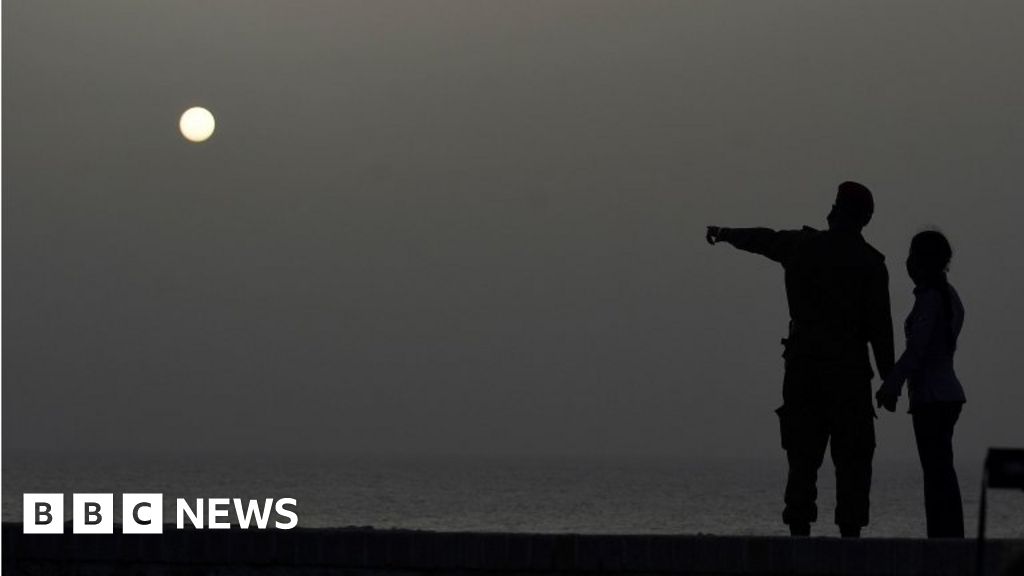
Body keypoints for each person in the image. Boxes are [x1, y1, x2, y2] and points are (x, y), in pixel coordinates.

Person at [706, 181, 895, 538]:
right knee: (851, 461)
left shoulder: (803, 247)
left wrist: (726, 233)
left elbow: (764, 240)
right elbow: (881, 332)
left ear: (840, 211)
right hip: (848, 375)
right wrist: (889, 380)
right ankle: (848, 540)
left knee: (803, 458)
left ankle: (800, 536)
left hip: (806, 370)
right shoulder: (870, 264)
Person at [875, 230, 966, 538]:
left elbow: (917, 351)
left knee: (936, 474)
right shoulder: (949, 296)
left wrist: (891, 385)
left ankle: (943, 538)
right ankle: (948, 536)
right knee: (942, 471)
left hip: (932, 397)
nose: (908, 263)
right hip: (946, 393)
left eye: (913, 255)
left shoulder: (930, 300)